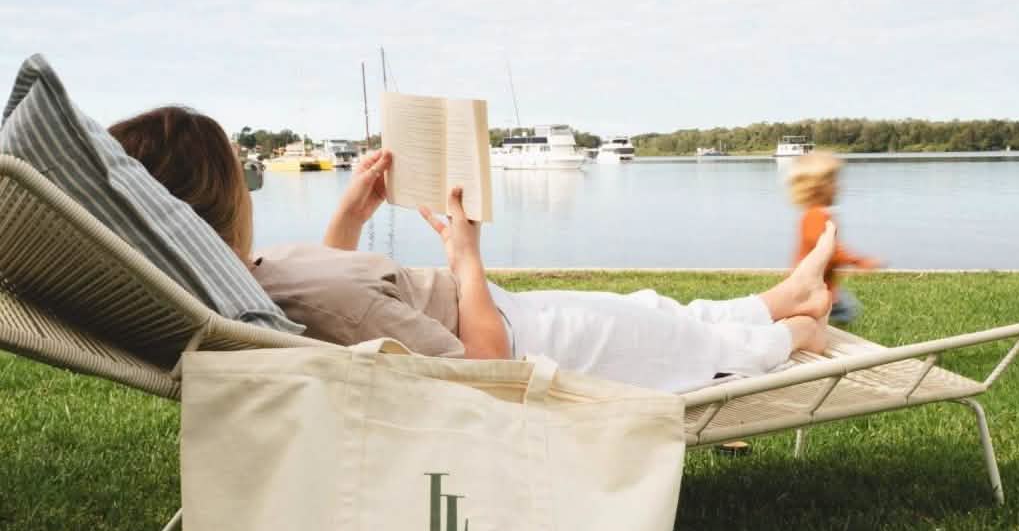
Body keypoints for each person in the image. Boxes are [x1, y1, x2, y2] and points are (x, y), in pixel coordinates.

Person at [110, 106, 838, 393]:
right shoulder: (295, 297)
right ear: (222, 204)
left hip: (497, 316)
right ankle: (787, 336)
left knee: (648, 309)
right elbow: (486, 377)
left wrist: (349, 218)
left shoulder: (249, 284)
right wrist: (466, 258)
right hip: (520, 341)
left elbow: (337, 300)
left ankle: (779, 300)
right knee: (669, 341)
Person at [787, 151, 881, 326]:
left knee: (833, 314)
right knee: (847, 311)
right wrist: (859, 261)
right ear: (818, 188)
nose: (839, 186)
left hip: (818, 286)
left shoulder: (817, 214)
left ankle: (818, 332)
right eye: (834, 181)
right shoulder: (815, 216)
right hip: (813, 288)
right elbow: (828, 250)